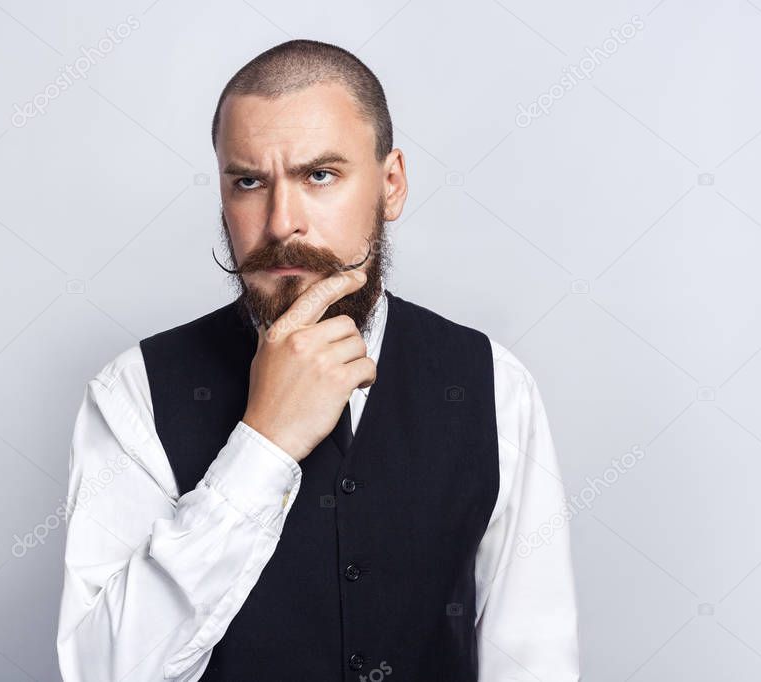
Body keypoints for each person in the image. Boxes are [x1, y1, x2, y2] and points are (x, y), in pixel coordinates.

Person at [56, 38, 580, 681]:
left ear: (391, 186)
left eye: (319, 176)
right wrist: (262, 445)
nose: (281, 224)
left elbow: (532, 660)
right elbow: (105, 673)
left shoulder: (493, 384)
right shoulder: (133, 391)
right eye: (249, 182)